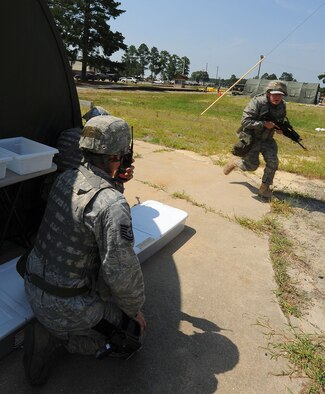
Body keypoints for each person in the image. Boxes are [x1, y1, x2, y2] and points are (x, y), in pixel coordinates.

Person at [23, 115, 146, 386]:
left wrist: (117, 182)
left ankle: (59, 328)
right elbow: (121, 271)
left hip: (32, 283)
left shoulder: (67, 176)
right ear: (119, 155)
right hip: (64, 305)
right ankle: (58, 338)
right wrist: (133, 309)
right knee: (132, 336)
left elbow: (91, 201)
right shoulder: (112, 204)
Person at [223, 81, 287, 198]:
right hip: (252, 138)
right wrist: (263, 124)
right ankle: (235, 161)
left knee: (273, 162)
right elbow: (245, 121)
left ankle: (264, 188)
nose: (277, 97)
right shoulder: (257, 102)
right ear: (268, 93)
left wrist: (280, 129)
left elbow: (280, 121)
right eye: (274, 94)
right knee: (251, 166)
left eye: (280, 94)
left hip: (268, 139)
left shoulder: (282, 105)